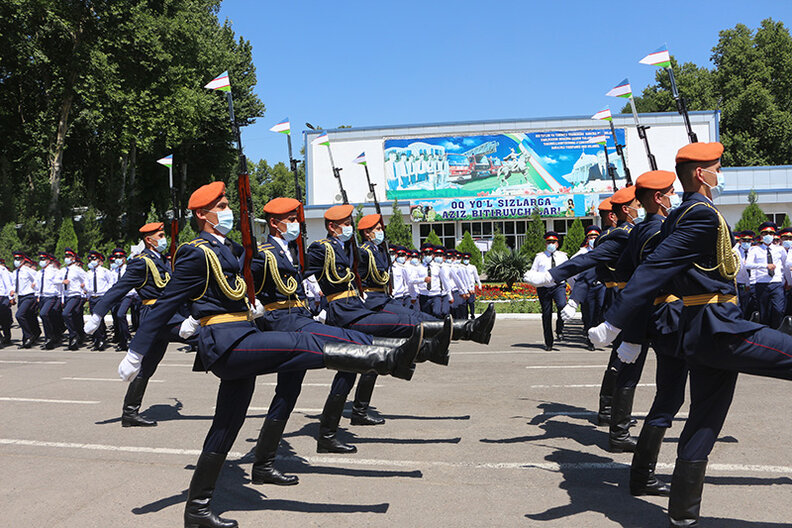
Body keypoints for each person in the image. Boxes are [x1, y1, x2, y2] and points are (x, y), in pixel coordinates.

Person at [121, 182, 426, 528]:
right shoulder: (196, 251)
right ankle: (387, 359)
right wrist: (136, 352)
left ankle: (198, 509)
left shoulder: (230, 249)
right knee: (300, 344)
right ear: (202, 214)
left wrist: (246, 305)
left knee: (227, 423)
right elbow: (165, 304)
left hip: (243, 332)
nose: (227, 210)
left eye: (227, 204)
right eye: (221, 205)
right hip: (225, 344)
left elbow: (231, 292)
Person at [589, 142, 792, 527]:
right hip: (720, 326)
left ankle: (682, 515)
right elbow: (653, 269)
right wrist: (615, 323)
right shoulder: (698, 215)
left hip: (700, 329)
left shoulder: (681, 213)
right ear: (702, 174)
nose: (721, 172)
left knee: (704, 419)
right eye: (717, 167)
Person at [248, 198, 451, 485]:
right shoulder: (265, 253)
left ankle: (269, 462)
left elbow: (301, 282)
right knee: (353, 344)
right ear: (274, 222)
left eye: (296, 217)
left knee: (289, 392)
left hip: (304, 317)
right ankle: (419, 351)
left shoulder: (291, 250)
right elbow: (250, 285)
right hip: (287, 322)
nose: (295, 223)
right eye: (290, 218)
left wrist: (311, 307)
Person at [86, 222, 189, 427]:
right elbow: (119, 289)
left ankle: (129, 414)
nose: (163, 239)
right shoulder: (141, 262)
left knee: (147, 366)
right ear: (148, 240)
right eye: (159, 235)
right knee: (205, 334)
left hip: (165, 314)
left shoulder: (161, 260)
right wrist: (97, 314)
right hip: (155, 316)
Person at [528, 232, 568, 351]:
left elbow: (568, 270)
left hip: (558, 286)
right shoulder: (539, 257)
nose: (551, 244)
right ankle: (549, 342)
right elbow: (533, 271)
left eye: (553, 242)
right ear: (545, 243)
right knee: (546, 314)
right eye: (549, 242)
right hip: (544, 288)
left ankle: (560, 328)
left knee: (562, 306)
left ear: (557, 243)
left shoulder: (562, 256)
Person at [745, 222, 789, 328]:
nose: (768, 236)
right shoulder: (754, 249)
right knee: (763, 312)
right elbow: (748, 265)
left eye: (770, 233)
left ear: (774, 235)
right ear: (761, 235)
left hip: (776, 283)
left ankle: (777, 330)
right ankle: (766, 333)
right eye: (765, 233)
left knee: (778, 309)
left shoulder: (780, 249)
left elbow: (785, 265)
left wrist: (788, 281)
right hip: (761, 283)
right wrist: (765, 266)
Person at [84, 251, 115, 351]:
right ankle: (97, 339)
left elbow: (111, 282)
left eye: (94, 259)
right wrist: (88, 295)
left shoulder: (105, 271)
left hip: (102, 297)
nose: (92, 261)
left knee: (99, 319)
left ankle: (101, 340)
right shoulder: (88, 273)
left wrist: (108, 295)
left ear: (99, 260)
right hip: (93, 297)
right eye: (90, 260)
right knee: (95, 320)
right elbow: (87, 286)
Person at [10, 252, 40, 348]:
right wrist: (12, 293)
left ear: (23, 261)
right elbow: (13, 285)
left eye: (18, 259)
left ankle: (29, 336)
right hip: (21, 297)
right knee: (26, 317)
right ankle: (26, 340)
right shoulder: (15, 273)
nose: (16, 261)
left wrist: (35, 287)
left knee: (19, 315)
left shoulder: (27, 270)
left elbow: (38, 277)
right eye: (15, 259)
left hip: (29, 296)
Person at [59, 248, 87, 350]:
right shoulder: (63, 270)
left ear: (73, 258)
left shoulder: (77, 270)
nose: (66, 258)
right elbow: (59, 284)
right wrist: (62, 299)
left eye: (68, 256)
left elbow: (87, 278)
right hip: (66, 296)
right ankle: (80, 334)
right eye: (65, 256)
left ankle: (73, 335)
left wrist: (85, 288)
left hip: (76, 295)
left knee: (66, 313)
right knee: (74, 316)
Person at [109, 248, 136, 351]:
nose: (118, 259)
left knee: (121, 314)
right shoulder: (114, 271)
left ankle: (128, 337)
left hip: (127, 295)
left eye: (120, 257)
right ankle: (122, 341)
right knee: (116, 317)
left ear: (124, 259)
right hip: (117, 297)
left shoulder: (128, 269)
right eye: (116, 257)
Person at [36, 252, 64, 349]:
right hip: (42, 297)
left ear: (48, 261)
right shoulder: (39, 273)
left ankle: (50, 338)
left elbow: (58, 282)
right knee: (50, 317)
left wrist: (61, 297)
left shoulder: (54, 271)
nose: (41, 261)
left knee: (43, 314)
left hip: (51, 296)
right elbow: (37, 285)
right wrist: (37, 294)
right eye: (40, 259)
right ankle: (55, 336)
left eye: (43, 259)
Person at [734, 230, 755, 319]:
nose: (746, 243)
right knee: (742, 306)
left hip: (754, 282)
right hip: (741, 282)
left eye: (748, 241)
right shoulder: (736, 252)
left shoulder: (754, 251)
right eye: (744, 241)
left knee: (754, 306)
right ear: (740, 241)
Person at [462, 252, 481, 319]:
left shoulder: (472, 267)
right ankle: (465, 316)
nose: (466, 260)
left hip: (471, 287)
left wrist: (479, 284)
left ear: (469, 260)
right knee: (464, 303)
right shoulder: (461, 267)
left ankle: (472, 314)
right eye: (464, 258)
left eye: (467, 258)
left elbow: (476, 276)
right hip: (463, 287)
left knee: (471, 302)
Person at [0, 258, 13, 346]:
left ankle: (7, 337)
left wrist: (10, 297)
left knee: (4, 319)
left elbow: (7, 283)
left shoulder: (2, 270)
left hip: (2, 296)